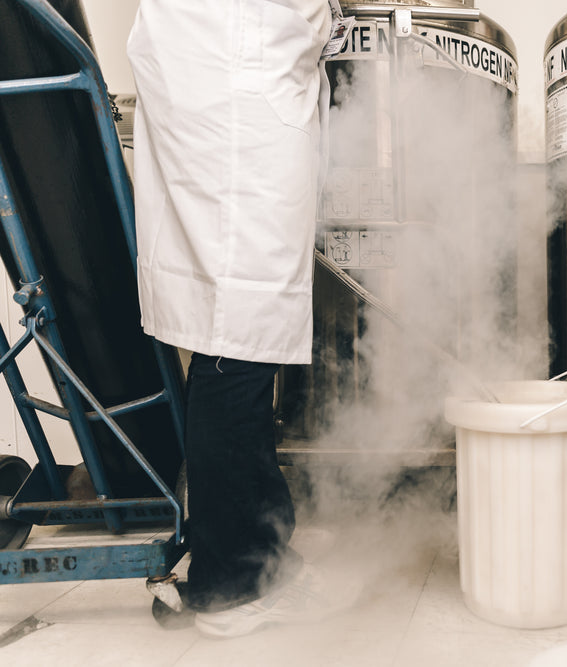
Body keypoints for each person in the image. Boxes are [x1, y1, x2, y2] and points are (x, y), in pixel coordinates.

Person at [127, 0, 332, 637]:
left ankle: (255, 553)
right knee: (238, 334)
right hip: (238, 78)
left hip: (224, 73)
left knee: (235, 331)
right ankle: (234, 585)